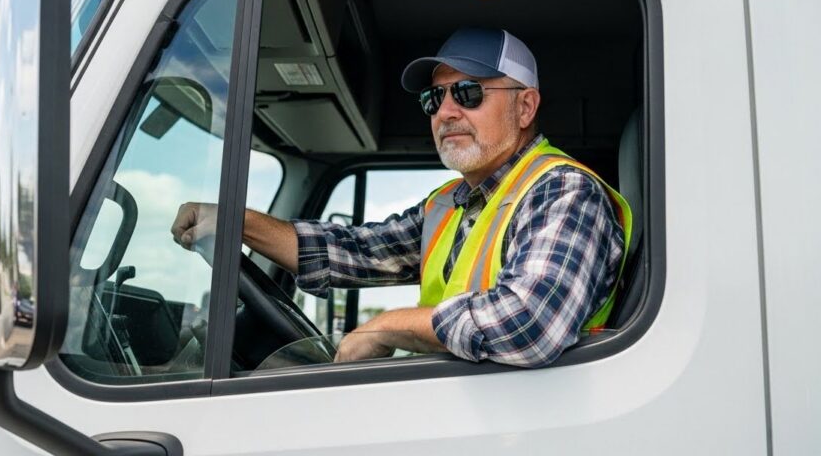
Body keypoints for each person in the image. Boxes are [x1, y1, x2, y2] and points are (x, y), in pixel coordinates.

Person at [171, 27, 631, 368]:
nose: (446, 111)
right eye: (435, 99)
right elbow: (351, 251)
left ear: (525, 106)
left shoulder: (563, 191)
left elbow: (529, 323)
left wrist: (386, 325)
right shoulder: (450, 202)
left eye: (468, 93)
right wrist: (233, 221)